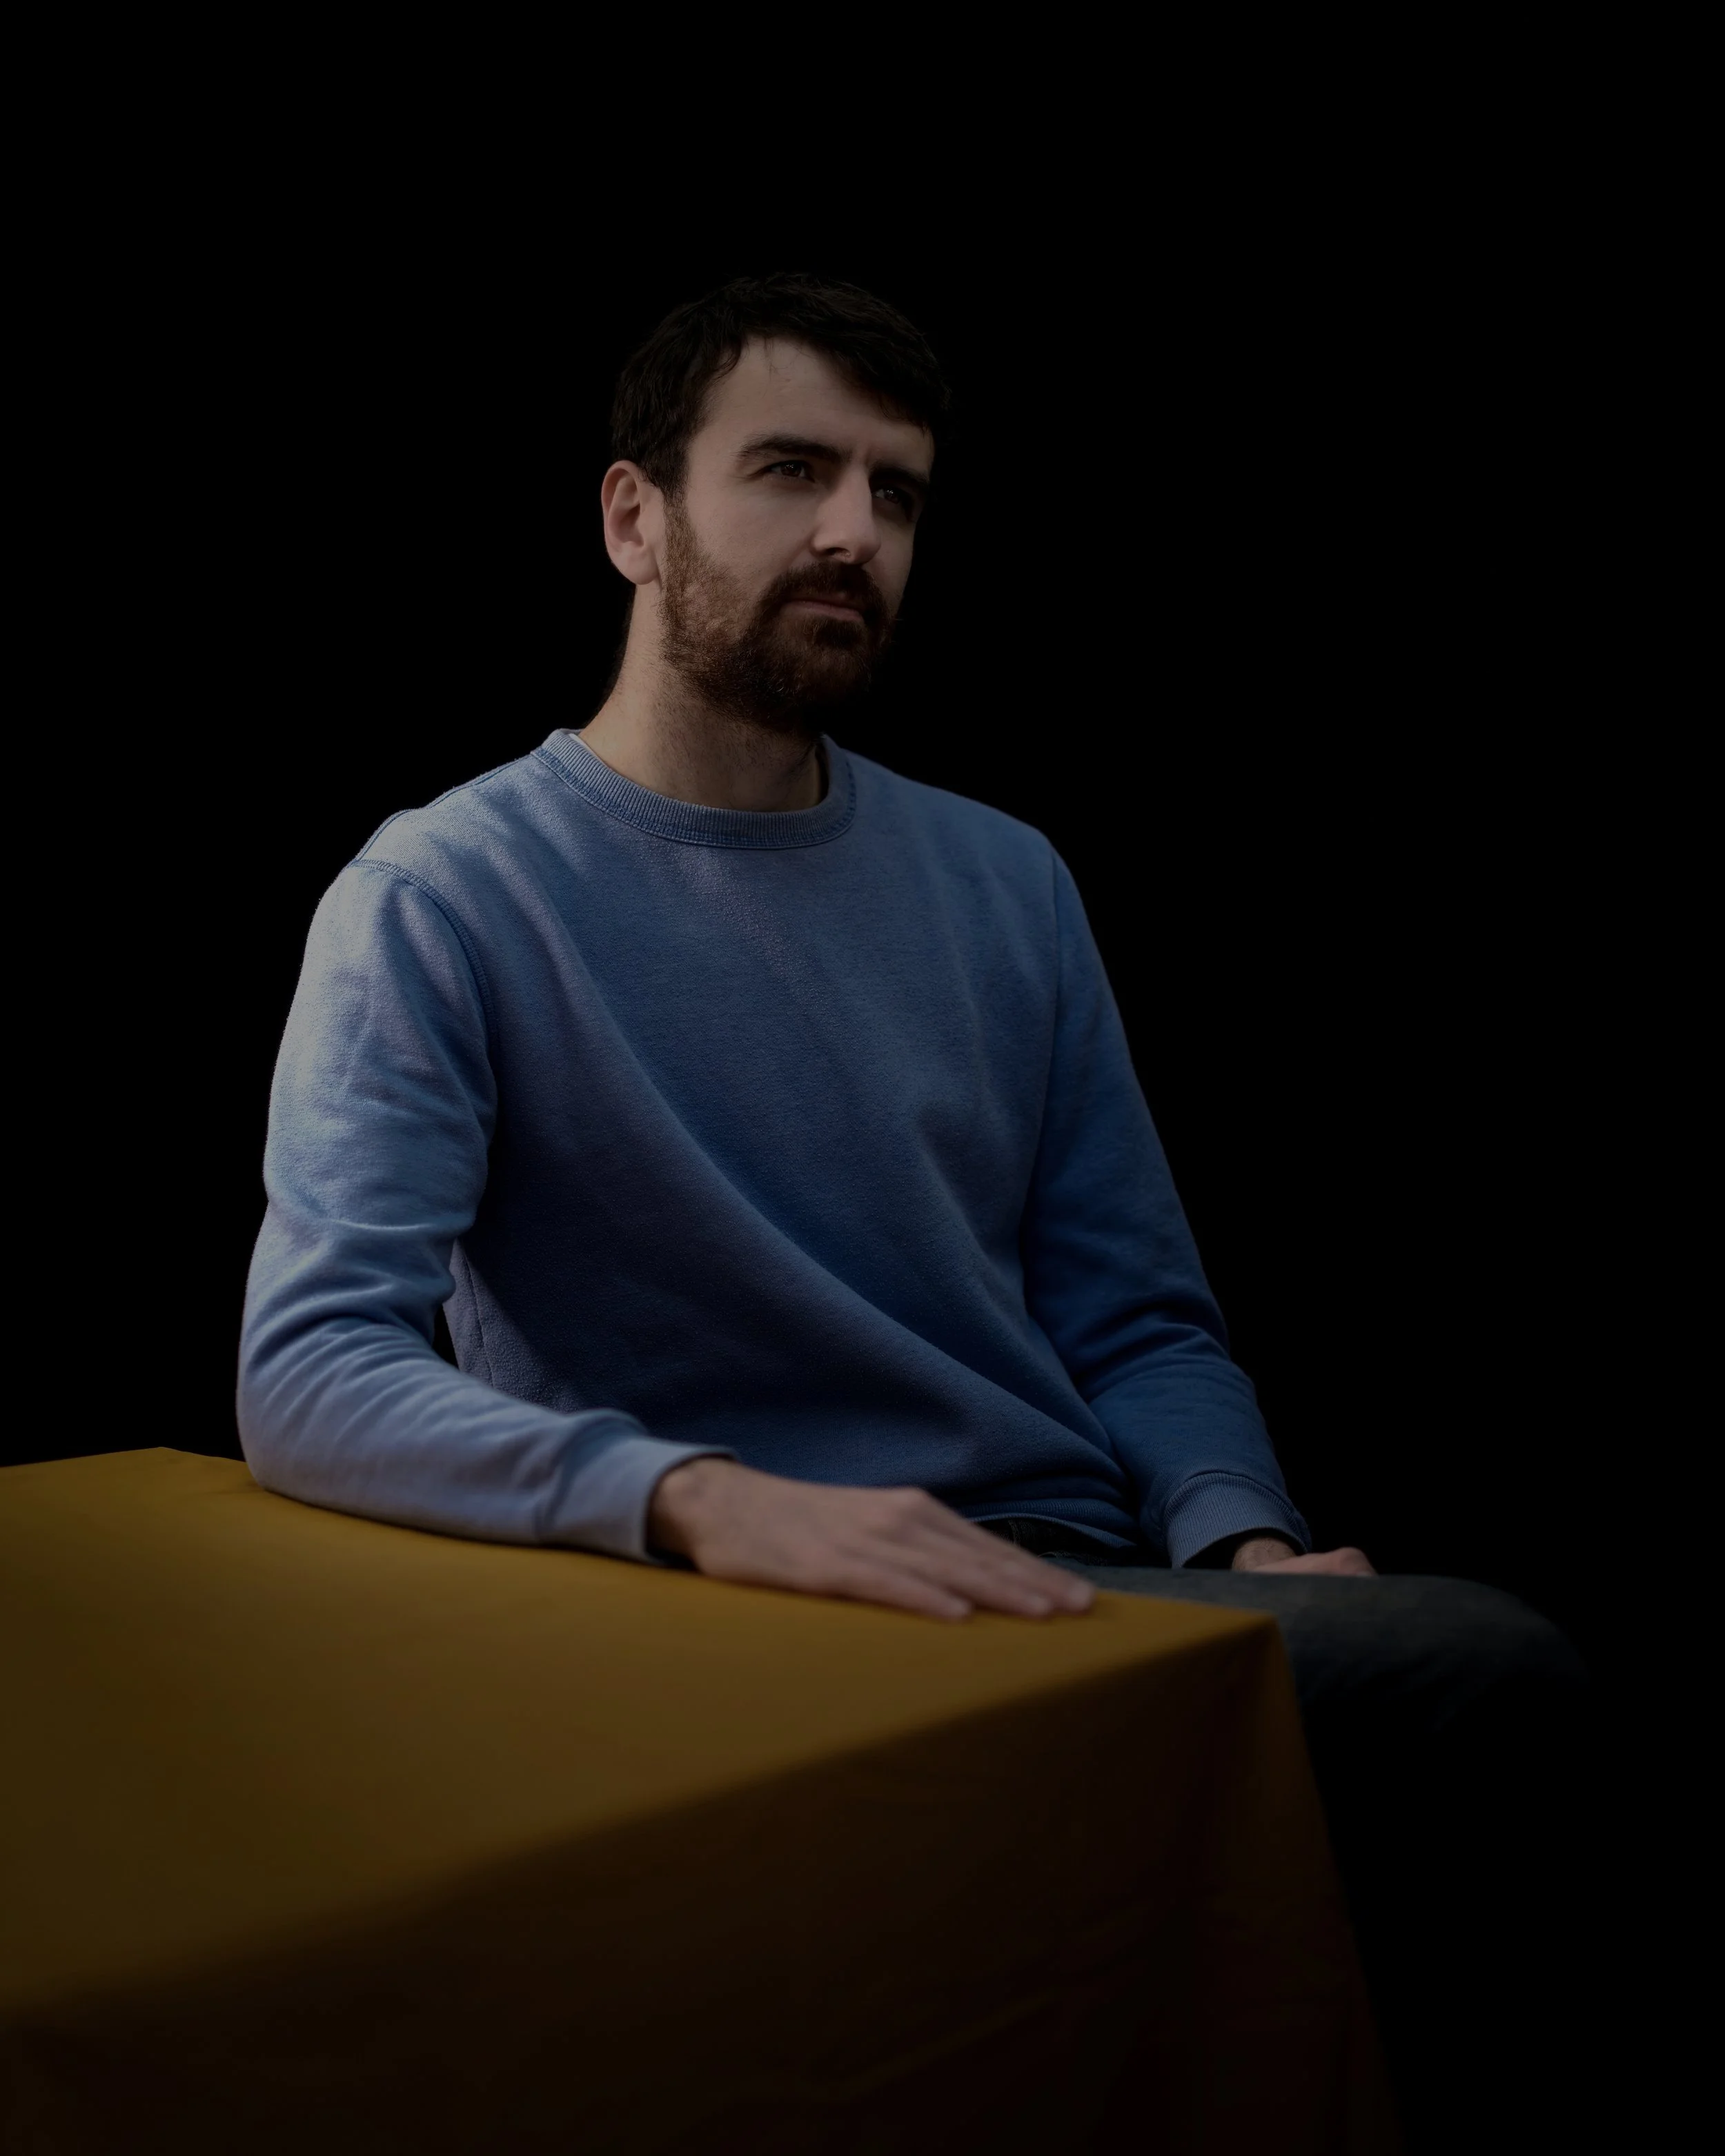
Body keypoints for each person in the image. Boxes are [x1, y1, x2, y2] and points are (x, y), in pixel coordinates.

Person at [239, 275, 1587, 2148]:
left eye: (894, 493)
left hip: (1059, 1576)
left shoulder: (1006, 879)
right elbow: (310, 1366)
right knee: (1484, 1668)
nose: (848, 534)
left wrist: (1237, 1540)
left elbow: (1134, 1315)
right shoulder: (441, 896)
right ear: (632, 517)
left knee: (1424, 1675)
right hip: (733, 1606)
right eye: (789, 470)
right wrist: (699, 1495)